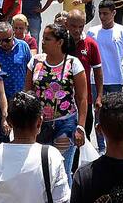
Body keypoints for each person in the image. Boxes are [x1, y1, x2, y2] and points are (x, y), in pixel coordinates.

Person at [27, 21, 89, 175]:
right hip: (39, 125)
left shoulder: (73, 63)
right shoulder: (35, 61)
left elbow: (82, 98)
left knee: (62, 170)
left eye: (47, 39)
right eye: (43, 38)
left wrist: (80, 127)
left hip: (65, 123)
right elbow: (28, 92)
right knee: (41, 170)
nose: (43, 42)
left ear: (60, 42)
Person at [86, 0, 123, 130]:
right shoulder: (92, 32)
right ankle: (101, 143)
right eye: (100, 13)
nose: (102, 17)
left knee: (116, 115)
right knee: (99, 115)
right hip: (96, 81)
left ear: (114, 13)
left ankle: (115, 140)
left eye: (105, 13)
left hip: (117, 80)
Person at [65, 10, 104, 151]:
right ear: (66, 24)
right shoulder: (60, 43)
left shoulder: (90, 44)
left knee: (83, 137)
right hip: (64, 100)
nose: (77, 30)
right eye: (73, 26)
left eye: (81, 26)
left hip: (84, 100)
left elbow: (98, 72)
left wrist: (99, 96)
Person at [0, 21, 33, 121]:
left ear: (13, 33)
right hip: (0, 100)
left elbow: (30, 70)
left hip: (20, 98)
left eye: (7, 40)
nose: (3, 43)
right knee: (3, 128)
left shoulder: (23, 46)